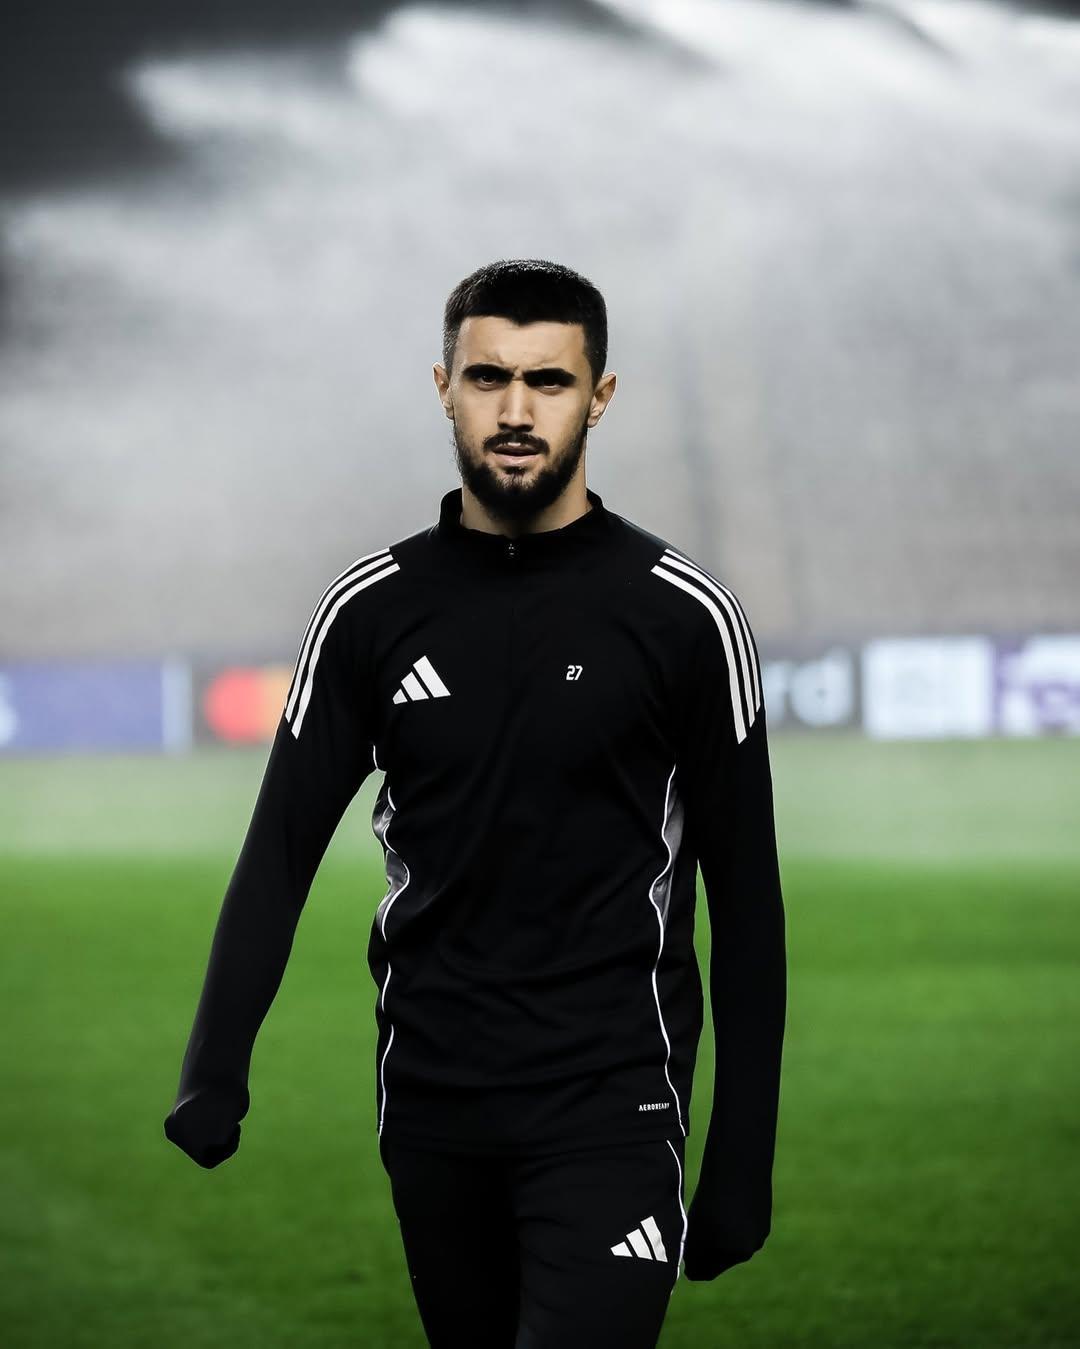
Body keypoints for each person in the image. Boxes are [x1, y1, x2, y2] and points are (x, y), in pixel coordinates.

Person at [164, 258, 787, 1348]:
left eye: (549, 380)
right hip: (432, 1104)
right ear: (443, 386)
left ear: (599, 396)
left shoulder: (686, 617)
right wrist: (213, 1065)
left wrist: (742, 1157)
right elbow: (278, 855)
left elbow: (748, 908)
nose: (515, 409)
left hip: (612, 1101)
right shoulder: (370, 612)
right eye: (488, 376)